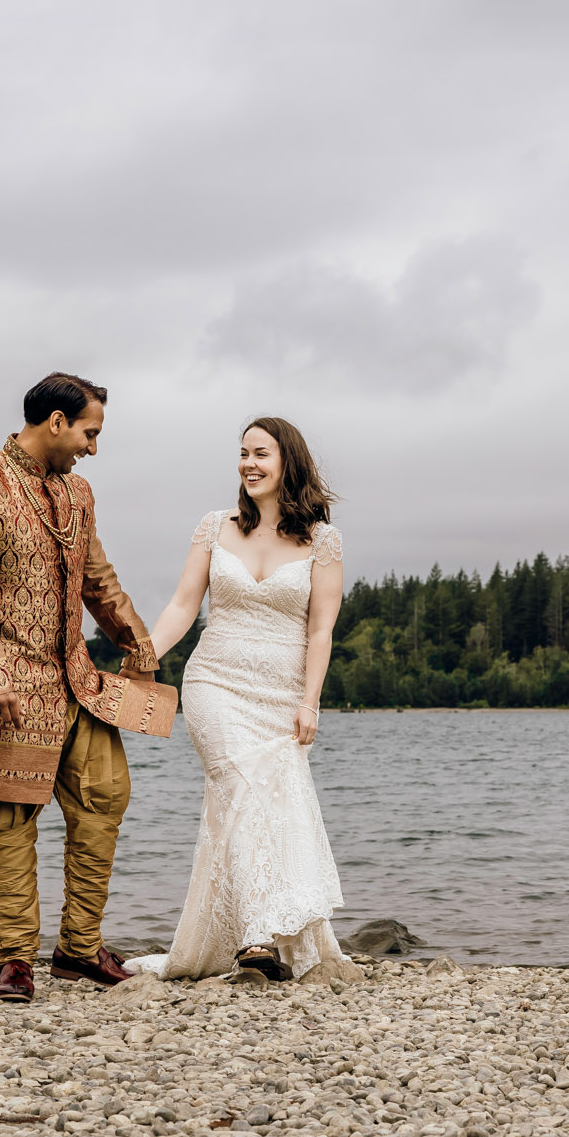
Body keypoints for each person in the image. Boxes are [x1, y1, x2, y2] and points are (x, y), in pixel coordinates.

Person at [0, 371, 175, 1003]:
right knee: (8, 818)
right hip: (8, 687)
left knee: (105, 799)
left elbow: (98, 578)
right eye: (89, 433)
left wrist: (138, 646)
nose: (93, 448)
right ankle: (16, 961)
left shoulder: (78, 493)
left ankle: (78, 949)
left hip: (77, 681)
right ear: (57, 422)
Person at [129, 416, 349, 981]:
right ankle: (256, 939)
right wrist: (145, 652)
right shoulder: (213, 527)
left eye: (261, 454)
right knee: (237, 785)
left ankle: (269, 930)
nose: (248, 464)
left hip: (280, 694)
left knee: (271, 805)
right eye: (243, 454)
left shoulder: (323, 540)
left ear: (287, 463)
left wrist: (310, 700)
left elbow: (321, 630)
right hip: (215, 683)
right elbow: (183, 605)